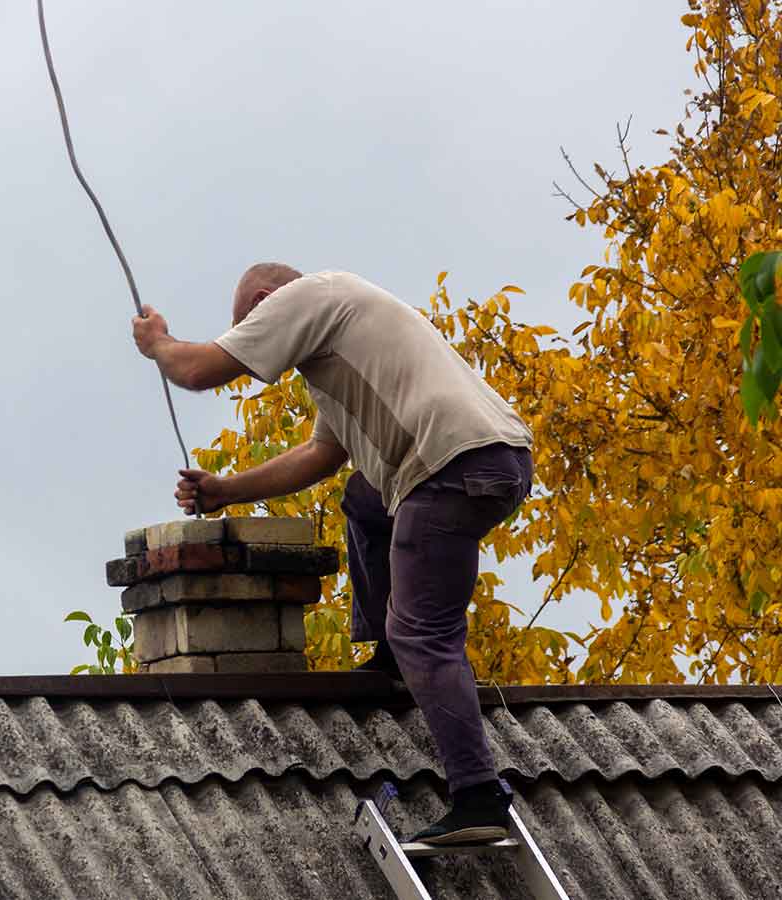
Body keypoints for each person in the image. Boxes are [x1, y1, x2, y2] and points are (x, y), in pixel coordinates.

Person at [130, 263, 534, 846]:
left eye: (252, 326)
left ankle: (477, 796)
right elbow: (322, 454)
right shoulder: (341, 342)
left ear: (268, 301)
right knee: (364, 498)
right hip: (488, 458)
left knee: (426, 632)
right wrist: (225, 490)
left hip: (450, 468)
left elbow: (197, 369)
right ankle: (395, 655)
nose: (257, 342)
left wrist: (159, 343)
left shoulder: (306, 297)